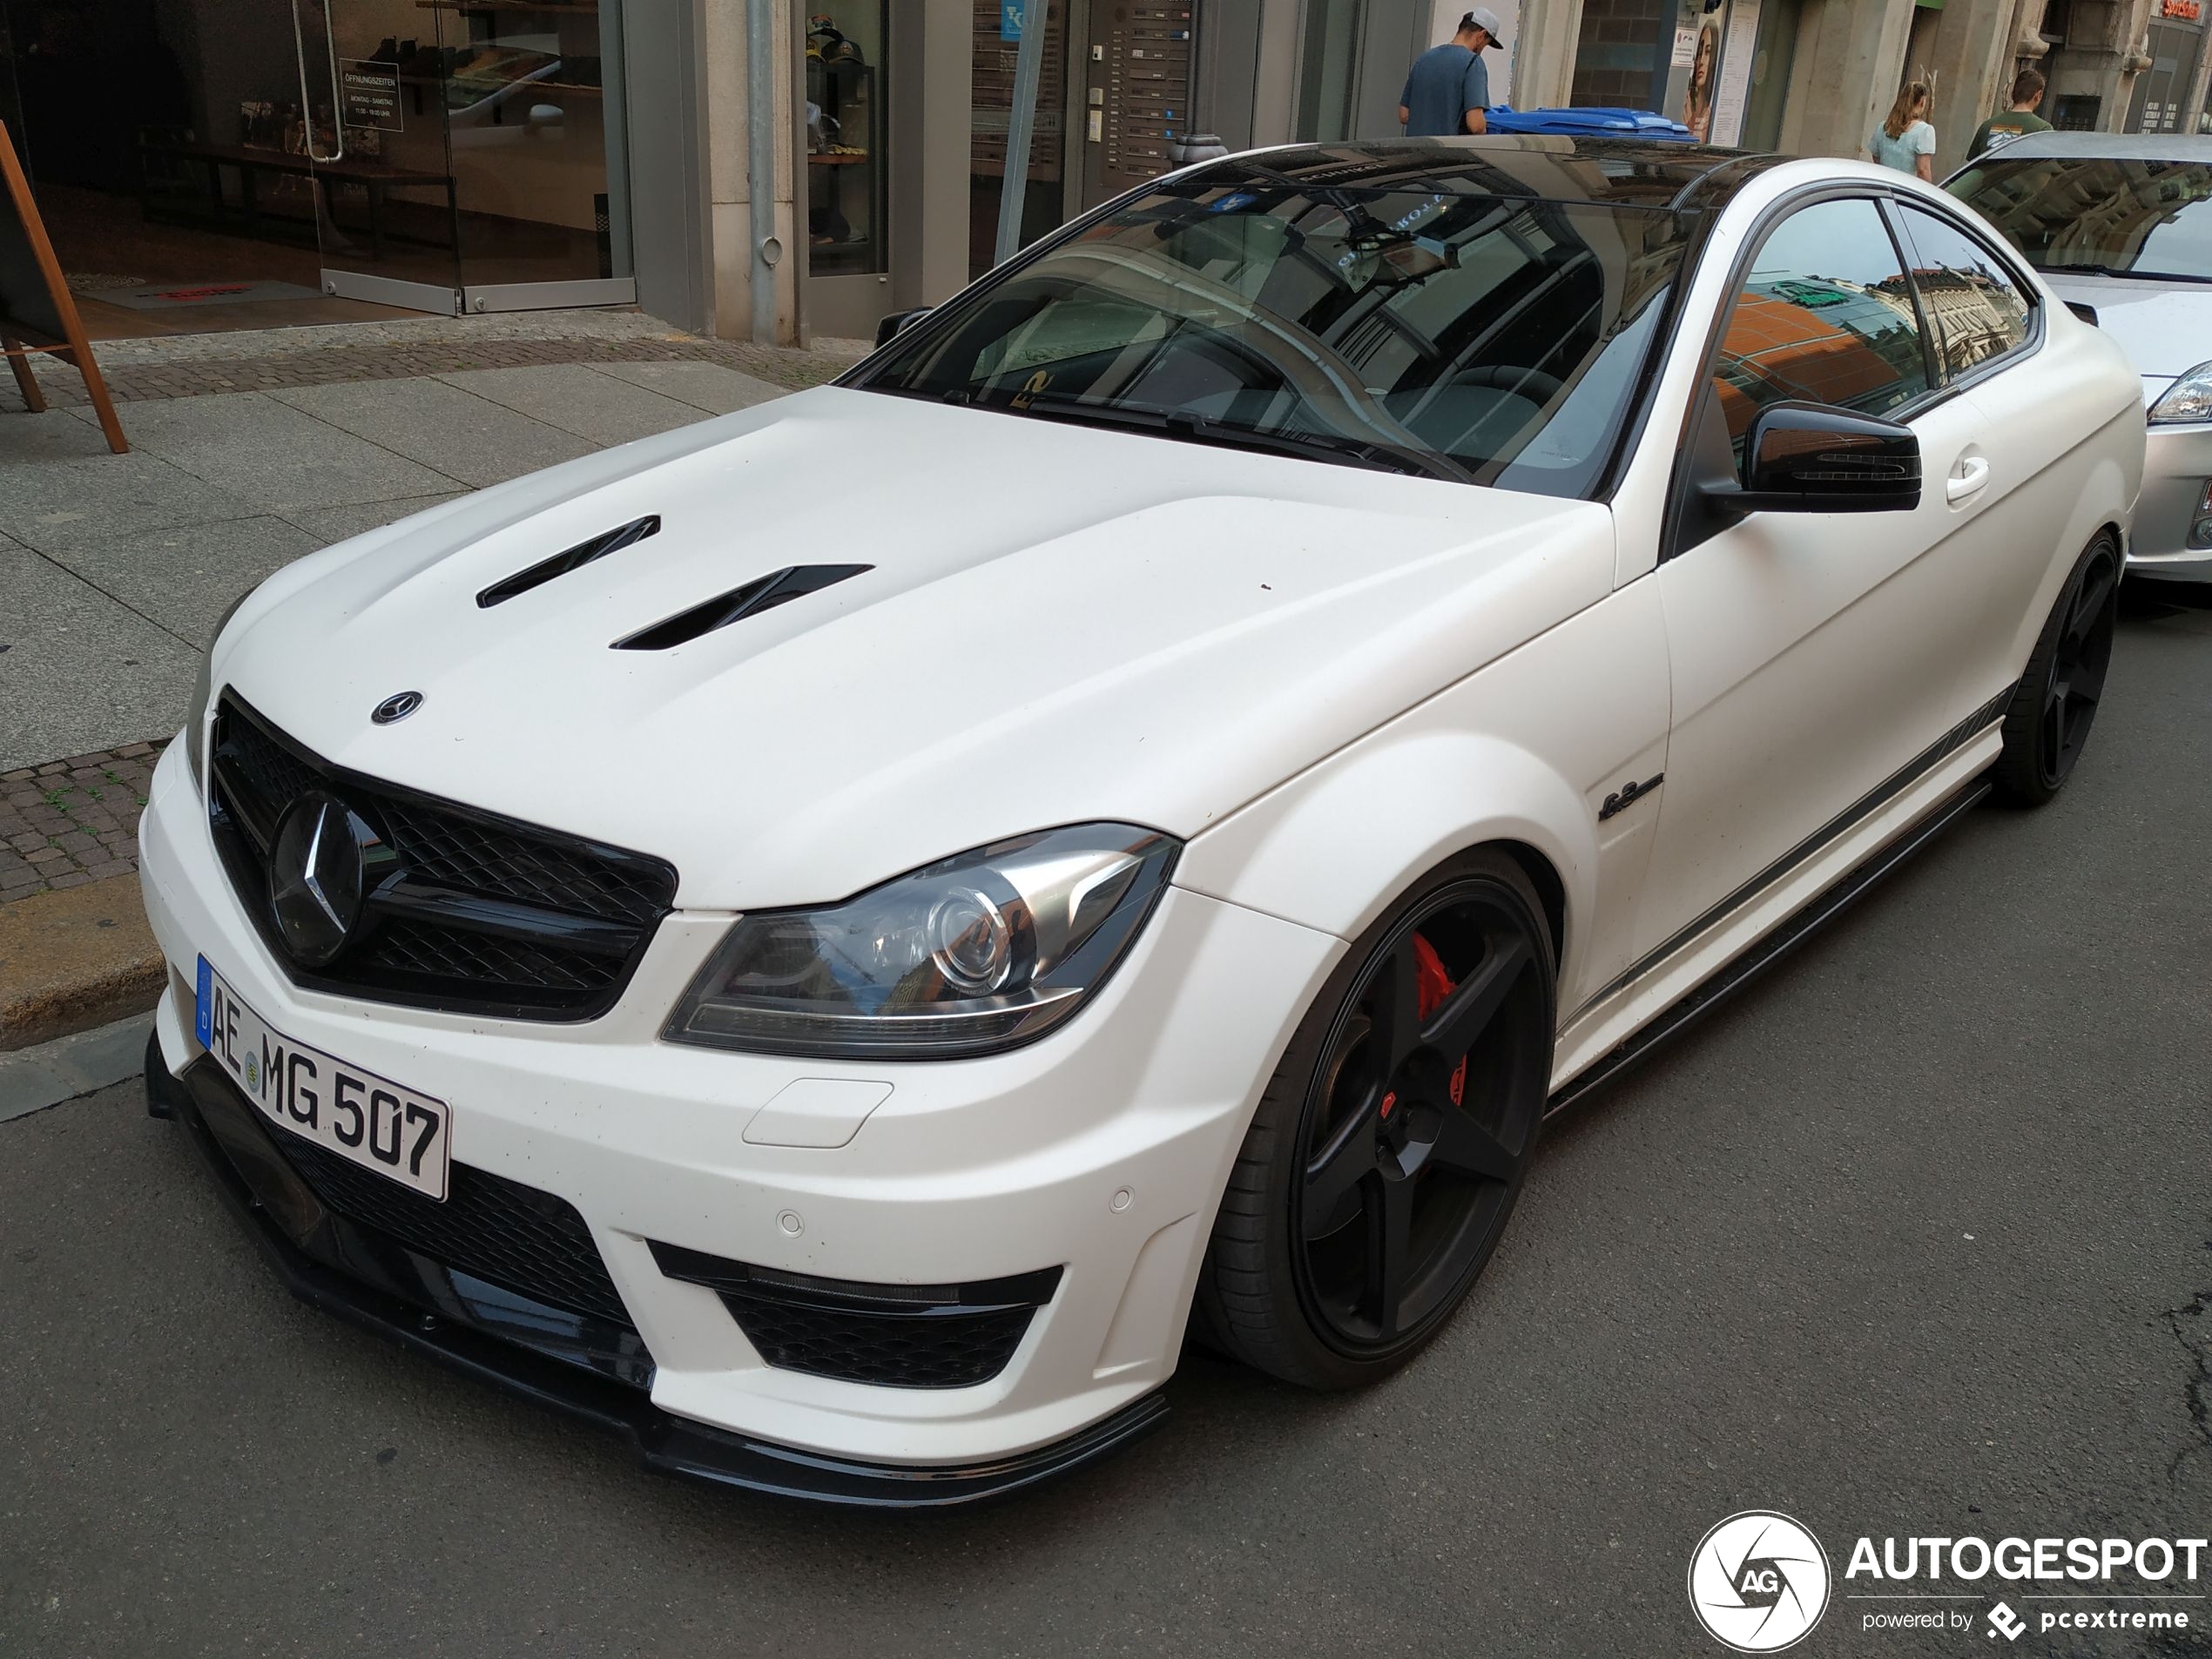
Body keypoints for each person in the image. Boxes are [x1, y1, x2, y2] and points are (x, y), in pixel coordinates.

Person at [1399, 8, 1504, 138]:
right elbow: (1475, 125)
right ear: (1481, 36)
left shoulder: (1424, 59)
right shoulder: (1473, 63)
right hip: (1448, 155)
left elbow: (1404, 115)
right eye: (1485, 44)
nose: (1482, 50)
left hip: (1415, 153)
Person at [1969, 68, 2051, 157]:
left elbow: (1972, 165)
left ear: (2012, 93)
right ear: (2038, 95)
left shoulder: (1987, 126)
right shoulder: (2043, 130)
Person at [1870, 81, 1936, 181]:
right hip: (1906, 190)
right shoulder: (1925, 131)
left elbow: (1876, 156)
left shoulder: (1884, 126)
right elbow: (1923, 170)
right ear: (1922, 101)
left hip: (1884, 184)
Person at [1682, 21, 1720, 144]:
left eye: (1708, 52)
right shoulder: (1687, 105)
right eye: (1699, 52)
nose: (1701, 60)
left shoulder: (1709, 118)